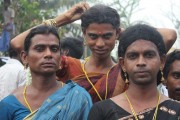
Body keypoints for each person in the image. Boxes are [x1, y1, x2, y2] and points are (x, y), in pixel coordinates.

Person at [10, 3, 177, 103]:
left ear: (117, 34)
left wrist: (127, 34)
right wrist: (65, 18)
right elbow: (18, 43)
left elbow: (170, 35)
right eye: (93, 36)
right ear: (84, 34)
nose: (100, 43)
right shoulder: (67, 65)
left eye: (107, 36)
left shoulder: (126, 70)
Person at [88, 24, 180, 120]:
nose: (141, 62)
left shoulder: (177, 110)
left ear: (162, 61)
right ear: (123, 64)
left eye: (149, 55)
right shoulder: (102, 110)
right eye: (133, 56)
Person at [0, 25, 92, 119]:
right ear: (24, 57)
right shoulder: (9, 104)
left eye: (54, 49)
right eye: (39, 49)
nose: (48, 54)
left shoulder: (78, 97)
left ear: (60, 58)